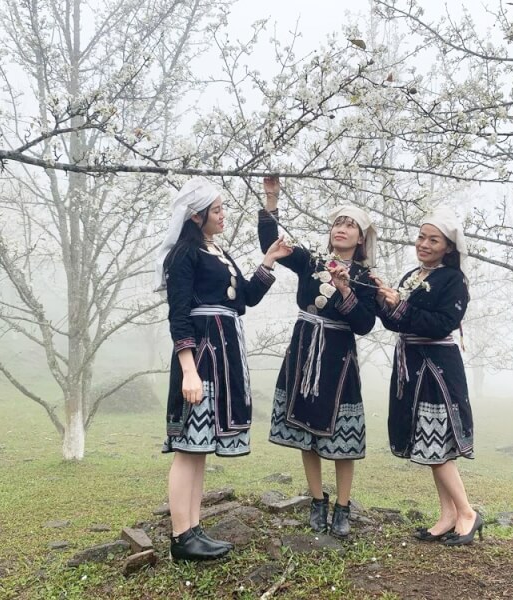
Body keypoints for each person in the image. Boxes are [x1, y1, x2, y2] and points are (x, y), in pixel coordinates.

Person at [156, 177, 291, 561]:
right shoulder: (184, 255)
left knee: (200, 449)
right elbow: (179, 316)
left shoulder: (217, 251)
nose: (223, 215)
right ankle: (181, 536)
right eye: (217, 210)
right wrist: (188, 370)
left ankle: (193, 528)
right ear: (196, 216)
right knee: (187, 447)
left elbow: (244, 299)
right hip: (200, 357)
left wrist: (269, 261)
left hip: (224, 352)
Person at [258, 176, 377, 538]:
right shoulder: (311, 261)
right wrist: (271, 198)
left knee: (342, 438)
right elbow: (271, 243)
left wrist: (344, 289)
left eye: (350, 225)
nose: (341, 229)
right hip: (303, 349)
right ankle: (316, 500)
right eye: (338, 223)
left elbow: (365, 324)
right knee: (305, 432)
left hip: (338, 360)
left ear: (361, 238)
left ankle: (343, 506)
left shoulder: (366, 278)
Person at [374, 210, 482, 546]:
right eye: (421, 237)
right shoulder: (412, 275)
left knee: (437, 444)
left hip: (437, 368)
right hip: (412, 365)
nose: (424, 244)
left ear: (448, 247)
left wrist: (401, 307)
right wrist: (384, 301)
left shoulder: (453, 280)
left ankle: (467, 513)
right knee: (429, 444)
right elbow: (396, 322)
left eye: (433, 240)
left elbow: (442, 323)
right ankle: (448, 515)